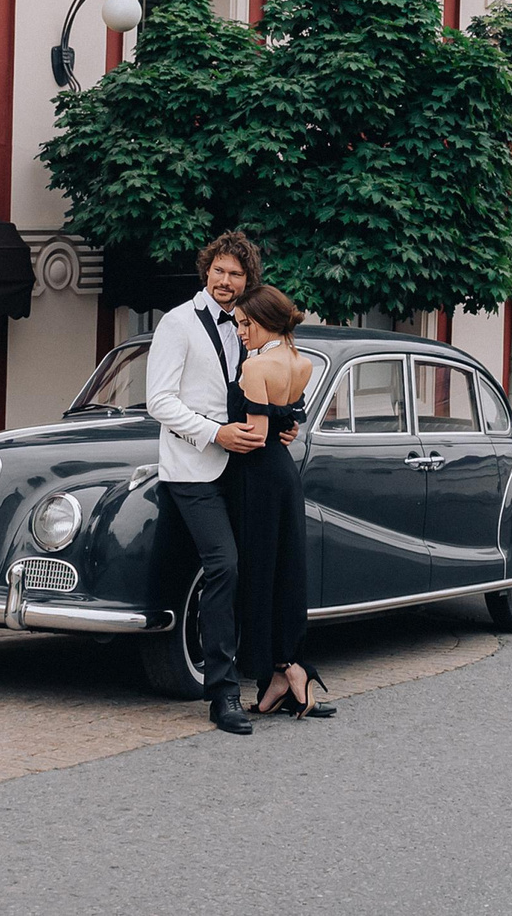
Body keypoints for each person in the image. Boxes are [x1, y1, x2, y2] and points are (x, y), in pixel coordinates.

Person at [143, 231, 266, 735]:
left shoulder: (248, 324)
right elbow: (160, 401)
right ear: (206, 271)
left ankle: (275, 672)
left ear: (246, 280)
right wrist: (215, 433)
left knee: (258, 565)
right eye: (219, 270)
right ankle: (223, 694)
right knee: (224, 566)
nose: (225, 280)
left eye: (235, 273)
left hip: (245, 466)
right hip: (193, 469)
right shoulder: (177, 323)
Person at [227, 283, 332, 720]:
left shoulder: (256, 367)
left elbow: (253, 435)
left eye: (244, 324)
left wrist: (215, 432)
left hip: (256, 476)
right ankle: (283, 673)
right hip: (285, 475)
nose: (240, 333)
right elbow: (283, 425)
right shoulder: (302, 363)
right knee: (284, 572)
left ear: (263, 320)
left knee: (257, 575)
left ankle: (289, 670)